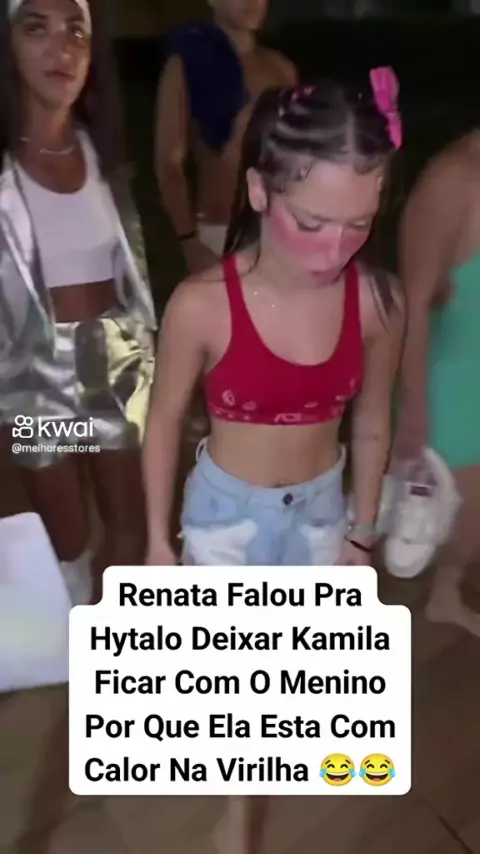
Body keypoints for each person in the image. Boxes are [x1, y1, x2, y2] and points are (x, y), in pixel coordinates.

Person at [143, 69, 405, 853]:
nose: (335, 250)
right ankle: (238, 821)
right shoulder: (201, 304)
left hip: (322, 514)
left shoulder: (376, 302)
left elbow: (372, 421)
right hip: (227, 520)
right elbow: (162, 422)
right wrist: (157, 542)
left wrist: (362, 529)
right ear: (259, 191)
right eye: (312, 221)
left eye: (359, 224)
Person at [0, 0, 157, 605]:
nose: (61, 49)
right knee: (66, 540)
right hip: (31, 372)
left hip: (114, 359)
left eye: (77, 31)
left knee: (130, 523)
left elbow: (132, 274)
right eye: (36, 28)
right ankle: (71, 627)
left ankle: (115, 635)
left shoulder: (102, 153)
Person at [397, 129, 480, 636]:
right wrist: (414, 404)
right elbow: (413, 301)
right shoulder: (455, 177)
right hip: (454, 380)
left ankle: (445, 595)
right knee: (437, 526)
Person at [155, 0, 297, 276]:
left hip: (279, 232)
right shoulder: (188, 63)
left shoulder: (282, 69)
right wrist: (188, 241)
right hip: (222, 232)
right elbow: (168, 165)